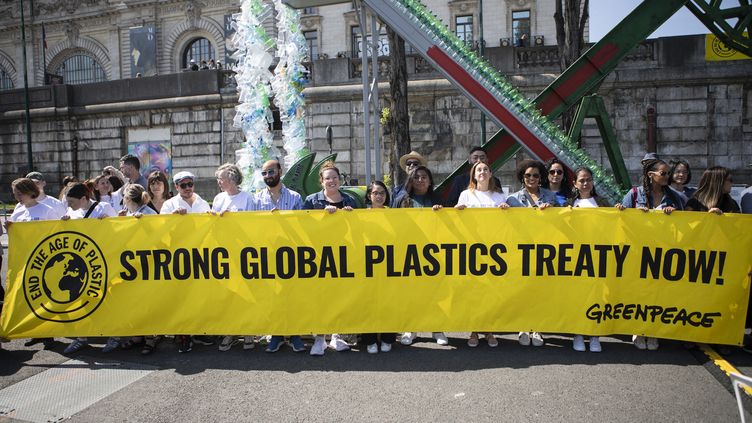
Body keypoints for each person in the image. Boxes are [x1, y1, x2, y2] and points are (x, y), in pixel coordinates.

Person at [619, 158, 682, 351]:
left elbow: (684, 224)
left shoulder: (672, 197)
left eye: (667, 173)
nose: (667, 176)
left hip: (662, 252)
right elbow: (621, 220)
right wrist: (626, 211)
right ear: (651, 175)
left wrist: (675, 214)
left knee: (657, 292)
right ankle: (638, 329)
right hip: (637, 251)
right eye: (664, 173)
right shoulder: (634, 194)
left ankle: (653, 330)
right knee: (639, 292)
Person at [303, 161, 358, 356]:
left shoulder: (350, 200)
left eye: (335, 177)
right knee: (321, 297)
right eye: (328, 178)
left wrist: (352, 217)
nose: (332, 181)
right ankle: (319, 338)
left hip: (344, 254)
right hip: (320, 256)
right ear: (321, 181)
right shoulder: (312, 201)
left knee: (341, 296)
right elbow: (303, 226)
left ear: (340, 180)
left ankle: (336, 335)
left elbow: (361, 227)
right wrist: (321, 216)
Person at [454, 161, 510, 348]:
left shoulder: (499, 196)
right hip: (472, 249)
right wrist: (457, 211)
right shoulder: (466, 195)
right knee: (474, 292)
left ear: (491, 173)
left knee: (491, 292)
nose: (482, 172)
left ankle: (489, 330)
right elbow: (456, 221)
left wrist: (506, 211)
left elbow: (508, 224)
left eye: (485, 169)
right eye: (479, 170)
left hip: (494, 251)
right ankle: (474, 330)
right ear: (473, 175)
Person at [254, 159, 306, 354]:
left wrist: (283, 219)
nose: (268, 176)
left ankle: (294, 334)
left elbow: (302, 225)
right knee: (272, 296)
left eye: (271, 172)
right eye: (264, 173)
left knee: (292, 295)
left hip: (290, 253)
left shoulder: (295, 197)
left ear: (280, 171)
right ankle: (276, 334)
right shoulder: (257, 199)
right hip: (267, 254)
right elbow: (252, 227)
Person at [157, 170, 212, 352]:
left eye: (190, 184)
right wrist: (173, 217)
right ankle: (182, 335)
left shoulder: (202, 202)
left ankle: (198, 331)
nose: (188, 188)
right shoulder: (169, 204)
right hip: (179, 255)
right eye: (183, 185)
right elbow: (161, 228)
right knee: (180, 295)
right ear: (176, 187)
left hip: (200, 254)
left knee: (198, 293)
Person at [395, 165, 449, 347]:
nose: (420, 180)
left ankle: (437, 328)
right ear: (411, 180)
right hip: (409, 252)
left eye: (424, 176)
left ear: (430, 180)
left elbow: (448, 224)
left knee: (435, 292)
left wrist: (441, 213)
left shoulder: (437, 198)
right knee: (411, 293)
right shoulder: (402, 199)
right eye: (416, 177)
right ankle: (411, 328)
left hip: (433, 252)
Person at [61, 182, 117, 354]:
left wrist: (108, 223)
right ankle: (81, 337)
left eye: (71, 201)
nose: (68, 205)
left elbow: (121, 229)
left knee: (107, 301)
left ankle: (114, 336)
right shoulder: (72, 212)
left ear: (84, 198)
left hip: (105, 261)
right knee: (80, 301)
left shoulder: (104, 207)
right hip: (82, 264)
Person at [508, 159, 556, 347]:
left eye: (536, 175)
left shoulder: (550, 197)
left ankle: (537, 327)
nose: (532, 178)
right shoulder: (512, 199)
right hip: (521, 249)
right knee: (522, 290)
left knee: (539, 290)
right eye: (528, 175)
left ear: (541, 177)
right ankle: (522, 325)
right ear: (522, 177)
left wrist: (551, 211)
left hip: (544, 249)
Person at [6, 178, 59, 349]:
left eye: (19, 194)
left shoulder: (47, 210)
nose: (17, 198)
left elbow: (57, 233)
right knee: (32, 296)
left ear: (30, 191)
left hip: (45, 260)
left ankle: (48, 333)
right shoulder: (18, 212)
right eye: (15, 195)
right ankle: (37, 332)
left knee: (46, 296)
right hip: (25, 261)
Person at [211, 163, 257, 352]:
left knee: (246, 293)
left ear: (231, 179)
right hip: (224, 253)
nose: (219, 182)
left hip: (243, 253)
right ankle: (230, 331)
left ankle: (248, 331)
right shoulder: (218, 198)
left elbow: (254, 223)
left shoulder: (247, 198)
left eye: (221, 179)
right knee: (228, 294)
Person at [567, 167, 611, 353]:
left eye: (588, 180)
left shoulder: (601, 202)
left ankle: (594, 335)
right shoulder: (569, 203)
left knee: (597, 296)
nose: (585, 183)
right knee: (578, 296)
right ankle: (578, 334)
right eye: (581, 180)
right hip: (576, 256)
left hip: (598, 256)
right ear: (575, 184)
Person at [362, 180, 397, 354]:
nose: (379, 196)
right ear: (369, 195)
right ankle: (369, 339)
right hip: (367, 265)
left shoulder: (394, 214)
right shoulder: (359, 215)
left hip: (389, 264)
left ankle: (388, 337)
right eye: (375, 193)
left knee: (389, 302)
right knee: (368, 303)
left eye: (382, 193)